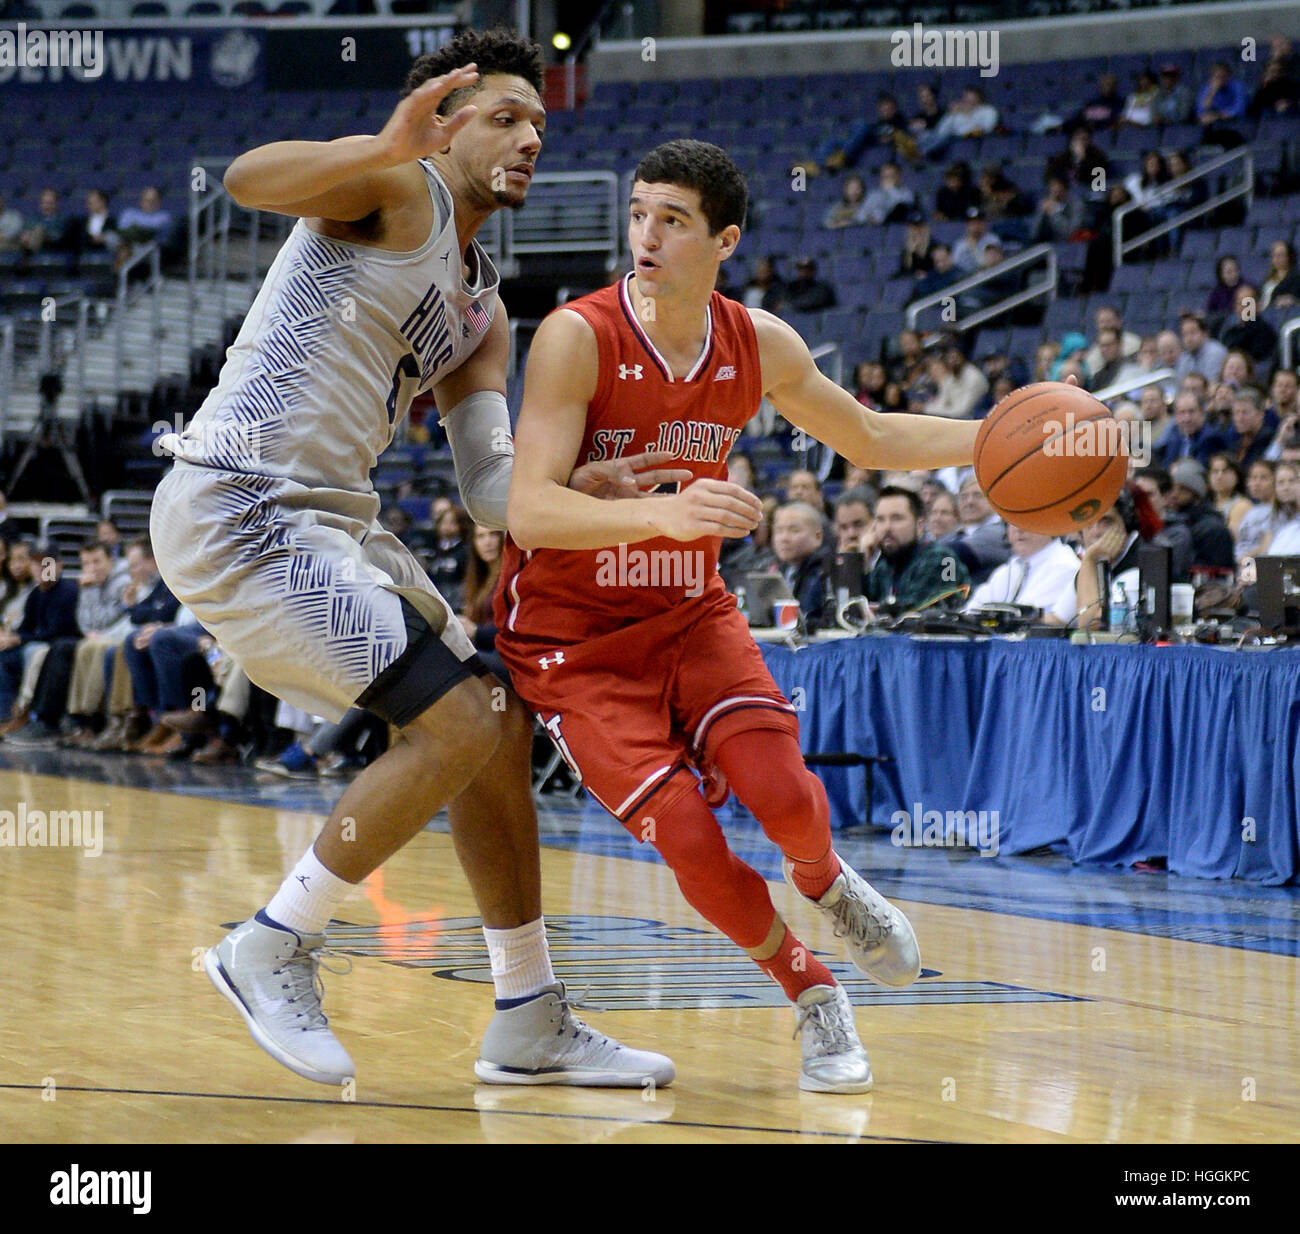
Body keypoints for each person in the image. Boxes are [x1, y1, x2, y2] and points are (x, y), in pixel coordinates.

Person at [148, 31, 673, 1090]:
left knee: (500, 723)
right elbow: (250, 180)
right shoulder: (391, 186)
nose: (529, 138)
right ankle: (271, 941)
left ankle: (528, 1012)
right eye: (505, 117)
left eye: (540, 123)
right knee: (459, 717)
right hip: (242, 501)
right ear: (443, 124)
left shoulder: (483, 310)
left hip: (330, 524)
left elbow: (489, 490)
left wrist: (581, 490)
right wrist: (375, 145)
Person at [500, 139, 995, 1093]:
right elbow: (528, 508)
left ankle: (824, 882)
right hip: (577, 640)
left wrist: (1003, 435)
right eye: (639, 212)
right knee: (688, 836)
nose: (645, 235)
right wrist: (667, 511)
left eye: (672, 220)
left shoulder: (759, 341)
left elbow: (875, 435)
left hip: (690, 613)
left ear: (724, 239)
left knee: (788, 796)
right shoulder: (577, 334)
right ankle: (812, 993)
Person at [861, 485, 970, 610]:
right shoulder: (884, 565)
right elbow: (857, 608)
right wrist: (862, 564)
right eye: (880, 519)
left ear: (920, 525)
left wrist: (877, 611)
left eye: (896, 518)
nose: (887, 527)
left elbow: (922, 611)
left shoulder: (943, 560)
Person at [965, 526, 1080, 614]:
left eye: (1027, 521)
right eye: (1013, 522)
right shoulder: (1008, 569)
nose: (1019, 529)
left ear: (1049, 525)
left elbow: (1025, 616)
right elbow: (972, 611)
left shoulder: (1065, 565)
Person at [1165, 459, 1236, 570]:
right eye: (1171, 488)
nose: (1174, 494)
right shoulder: (1172, 520)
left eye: (1183, 489)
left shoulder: (1212, 529)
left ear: (1197, 494)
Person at [771, 501, 833, 626]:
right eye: (779, 531)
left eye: (794, 531)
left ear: (817, 536)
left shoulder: (827, 572)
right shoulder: (780, 571)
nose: (784, 538)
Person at [1154, 390, 1228, 468]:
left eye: (1191, 412)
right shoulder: (1175, 437)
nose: (1187, 418)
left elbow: (1199, 470)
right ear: (1175, 416)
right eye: (1182, 412)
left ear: (1202, 413)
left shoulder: (1211, 439)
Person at [1206, 453, 1254, 537]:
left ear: (1237, 476)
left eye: (1225, 471)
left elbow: (1231, 537)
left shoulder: (1242, 505)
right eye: (1215, 471)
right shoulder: (1206, 504)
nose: (1219, 476)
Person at [1260, 240, 1300, 311]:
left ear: (1289, 257)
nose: (1276, 258)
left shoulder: (1296, 279)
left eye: (1280, 255)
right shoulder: (1268, 278)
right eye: (1274, 255)